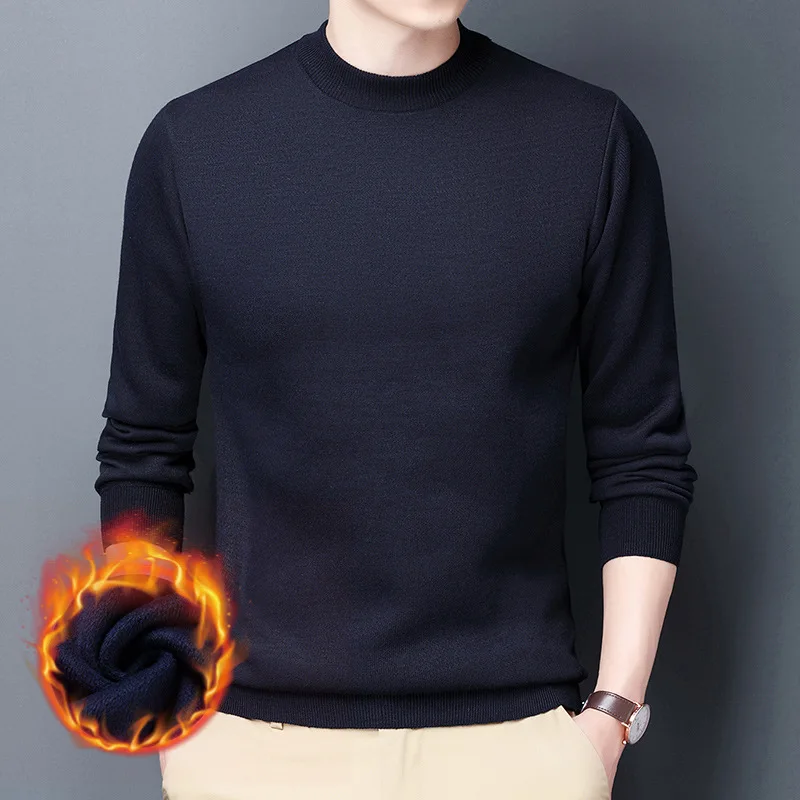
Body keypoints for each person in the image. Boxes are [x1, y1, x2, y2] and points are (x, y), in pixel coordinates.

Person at [97, 1, 698, 797]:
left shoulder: (588, 139)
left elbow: (642, 453)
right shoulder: (196, 145)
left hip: (518, 750)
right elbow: (143, 450)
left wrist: (611, 716)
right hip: (253, 749)